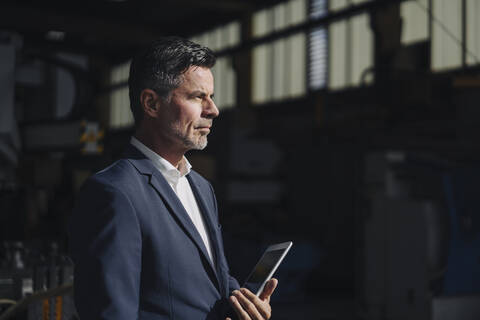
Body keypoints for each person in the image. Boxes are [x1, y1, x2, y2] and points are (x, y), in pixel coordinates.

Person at [68, 37, 278, 320]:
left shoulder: (201, 188)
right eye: (197, 97)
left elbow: (217, 280)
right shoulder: (115, 193)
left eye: (211, 97)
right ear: (152, 103)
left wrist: (245, 308)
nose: (213, 110)